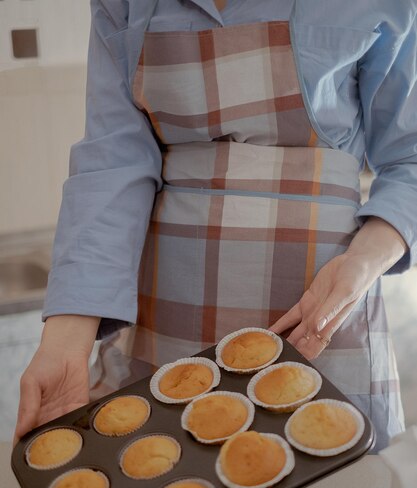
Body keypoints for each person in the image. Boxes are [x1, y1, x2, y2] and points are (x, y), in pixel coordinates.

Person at [14, 0, 417, 451]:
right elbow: (113, 165)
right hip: (164, 327)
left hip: (323, 319)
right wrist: (65, 343)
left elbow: (411, 159)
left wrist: (361, 265)